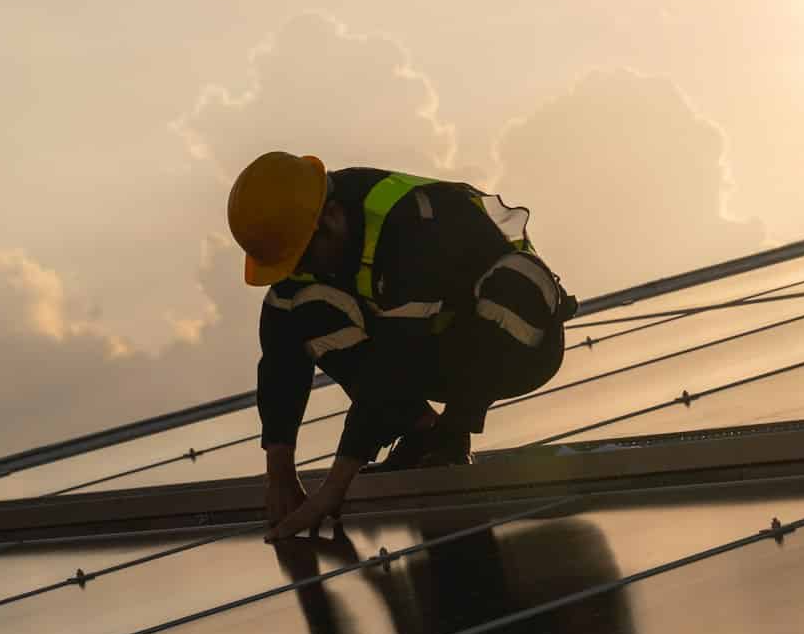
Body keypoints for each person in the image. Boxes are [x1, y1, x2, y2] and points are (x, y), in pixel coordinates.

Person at [225, 151, 576, 541]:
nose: (301, 269)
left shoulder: (413, 224)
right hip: (431, 348)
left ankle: (450, 435)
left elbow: (395, 361)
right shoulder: (311, 234)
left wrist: (335, 486)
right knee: (297, 305)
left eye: (302, 257)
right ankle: (422, 431)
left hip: (519, 349)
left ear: (332, 218)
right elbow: (280, 354)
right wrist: (280, 475)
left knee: (517, 282)